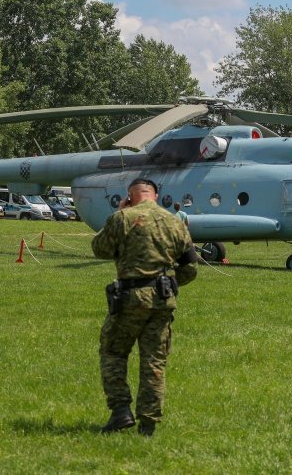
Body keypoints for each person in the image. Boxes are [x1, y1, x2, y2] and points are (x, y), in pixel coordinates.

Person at [91, 178, 198, 436]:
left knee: (114, 353)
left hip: (129, 298)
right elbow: (191, 268)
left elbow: (99, 249)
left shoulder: (123, 218)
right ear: (156, 195)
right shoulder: (175, 222)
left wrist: (120, 213)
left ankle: (120, 412)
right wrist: (170, 283)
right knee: (154, 361)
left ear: (129, 196)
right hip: (162, 300)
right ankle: (148, 424)